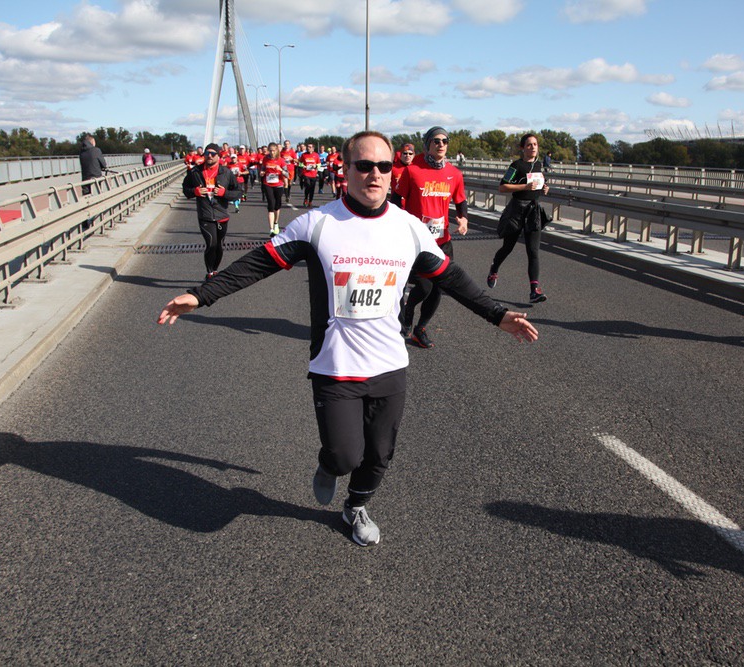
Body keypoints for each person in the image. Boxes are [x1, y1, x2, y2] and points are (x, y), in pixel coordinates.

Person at [158, 130, 538, 547]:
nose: (375, 174)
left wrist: (496, 314)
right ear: (346, 168)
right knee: (344, 455)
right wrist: (202, 295)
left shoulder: (409, 228)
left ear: (392, 172)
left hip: (389, 364)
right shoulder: (317, 224)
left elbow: (452, 278)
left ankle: (355, 506)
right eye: (364, 165)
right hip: (335, 365)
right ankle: (330, 466)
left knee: (379, 455)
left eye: (384, 166)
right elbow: (258, 264)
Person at [395, 126, 468, 348]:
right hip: (417, 241)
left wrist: (463, 219)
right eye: (436, 140)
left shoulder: (454, 174)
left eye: (445, 140)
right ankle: (408, 309)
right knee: (424, 287)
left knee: (439, 288)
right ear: (427, 144)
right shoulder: (412, 171)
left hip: (442, 241)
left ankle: (421, 328)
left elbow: (461, 201)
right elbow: (396, 200)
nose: (441, 144)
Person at [487, 132, 550, 304]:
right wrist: (524, 187)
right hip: (517, 210)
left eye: (535, 144)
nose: (533, 148)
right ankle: (494, 268)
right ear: (522, 148)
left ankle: (534, 290)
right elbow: (502, 187)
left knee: (533, 251)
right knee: (508, 247)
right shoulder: (516, 165)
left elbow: (538, 185)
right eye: (529, 145)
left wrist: (544, 188)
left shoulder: (538, 165)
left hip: (533, 211)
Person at [181, 143, 243, 280]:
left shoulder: (226, 172)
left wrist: (224, 193)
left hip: (221, 214)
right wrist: (195, 191)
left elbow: (238, 192)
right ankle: (209, 273)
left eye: (213, 154)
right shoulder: (195, 172)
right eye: (207, 153)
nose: (209, 156)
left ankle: (215, 270)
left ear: (218, 156)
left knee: (219, 246)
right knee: (211, 244)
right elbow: (185, 189)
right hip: (205, 214)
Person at [260, 142, 289, 237]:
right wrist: (262, 172)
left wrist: (280, 170)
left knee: (277, 205)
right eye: (270, 151)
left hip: (278, 185)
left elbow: (287, 174)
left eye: (273, 151)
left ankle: (276, 223)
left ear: (277, 150)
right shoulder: (265, 159)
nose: (272, 152)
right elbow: (262, 169)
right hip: (268, 184)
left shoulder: (281, 160)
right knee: (271, 205)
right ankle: (271, 229)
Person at [389, 142, 414, 208]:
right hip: (396, 205)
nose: (407, 155)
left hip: (411, 206)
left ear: (413, 155)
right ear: (400, 154)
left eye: (410, 153)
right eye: (405, 153)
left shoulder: (416, 169)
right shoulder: (393, 168)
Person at [298, 142, 321, 208]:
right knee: (307, 186)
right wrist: (303, 166)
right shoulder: (304, 155)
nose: (308, 148)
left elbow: (319, 164)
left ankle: (310, 201)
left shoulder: (316, 155)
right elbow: (300, 163)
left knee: (312, 189)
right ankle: (306, 198)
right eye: (308, 147)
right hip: (306, 173)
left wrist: (315, 166)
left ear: (313, 148)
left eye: (310, 147)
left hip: (313, 174)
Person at [280, 140, 297, 204]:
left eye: (287, 144)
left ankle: (288, 193)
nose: (286, 145)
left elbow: (296, 160)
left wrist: (292, 159)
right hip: (284, 169)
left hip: (291, 169)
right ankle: (287, 197)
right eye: (285, 144)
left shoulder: (292, 152)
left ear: (289, 145)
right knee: (285, 183)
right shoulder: (281, 152)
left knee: (289, 183)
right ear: (284, 145)